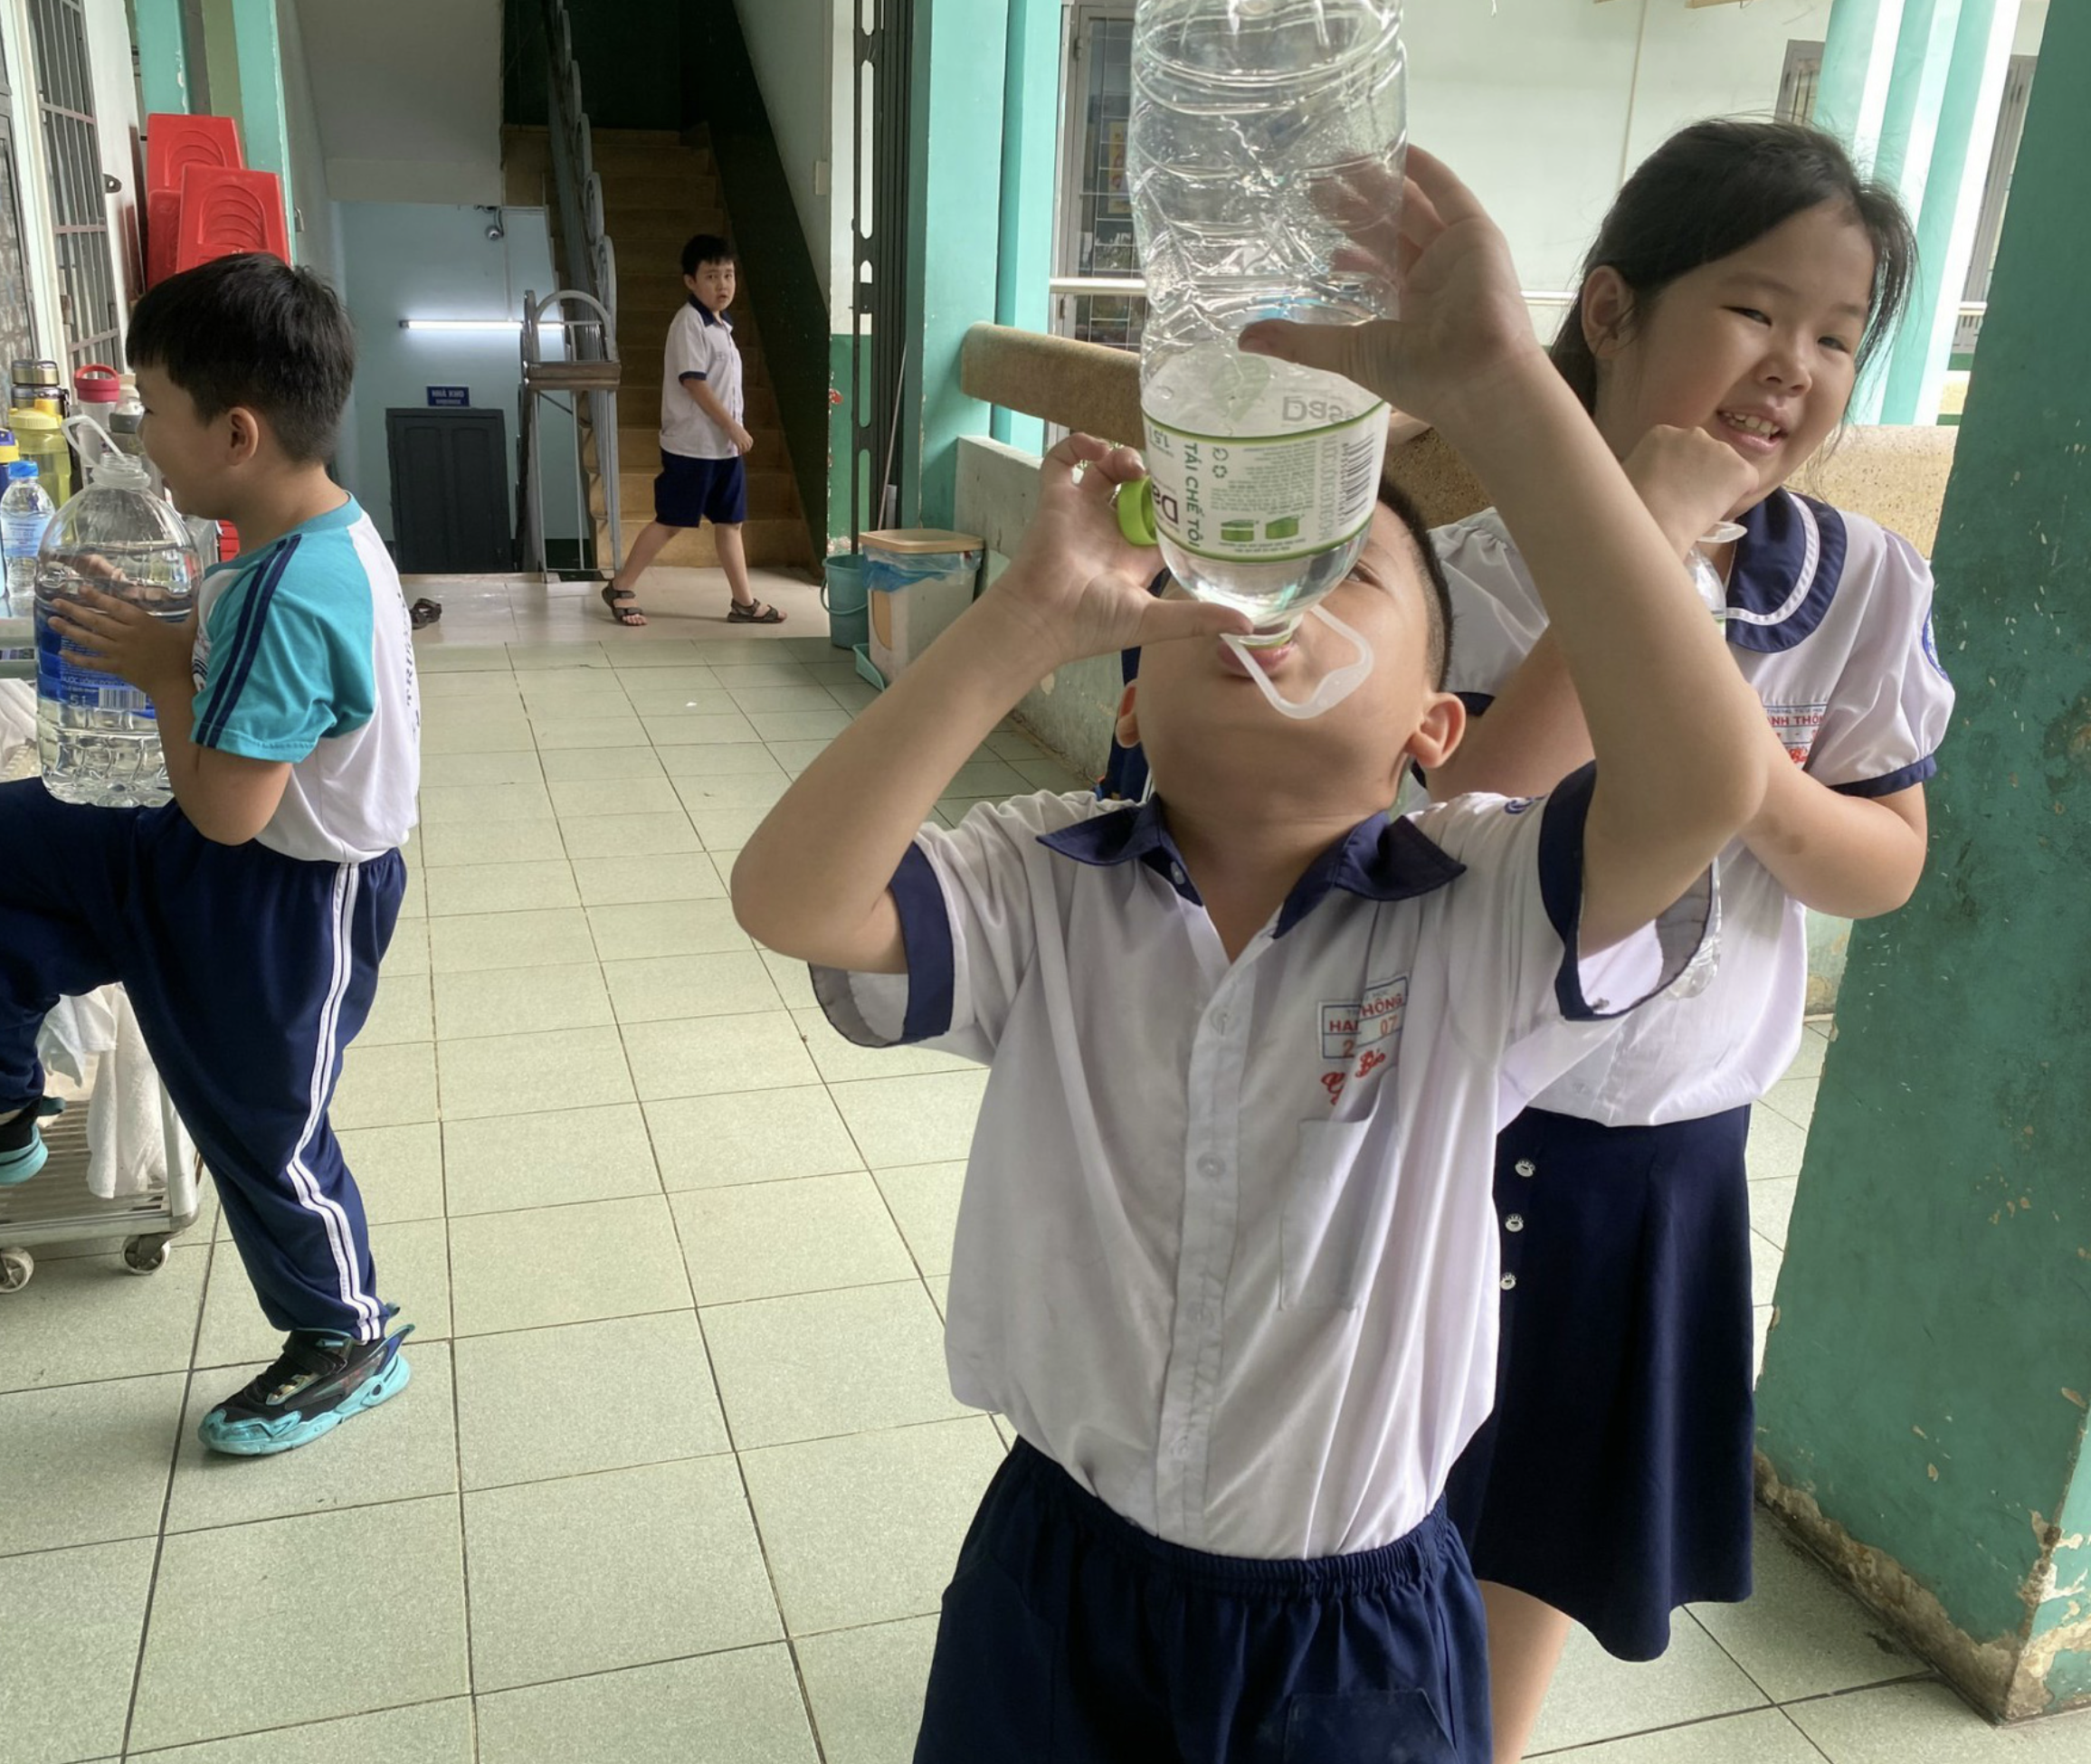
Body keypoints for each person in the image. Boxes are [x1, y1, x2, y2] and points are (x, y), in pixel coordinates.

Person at [731, 149, 1771, 1763]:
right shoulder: (1042, 882)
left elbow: (1699, 784)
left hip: (1346, 1622)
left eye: (1338, 571)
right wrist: (1021, 617)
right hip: (1057, 1570)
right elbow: (791, 898)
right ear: (1131, 698)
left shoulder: (1477, 911)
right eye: (1209, 581)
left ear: (1435, 734)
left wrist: (1503, 389)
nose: (1258, 603)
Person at [1416, 119, 1951, 1762]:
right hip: (1445, 1126)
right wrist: (1633, 552)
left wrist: (1746, 790)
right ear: (1605, 309)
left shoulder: (1855, 585)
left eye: (1837, 335)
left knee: (1551, 1520)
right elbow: (1441, 854)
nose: (1792, 365)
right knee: (1397, 1485)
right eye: (1752, 309)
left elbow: (1882, 865)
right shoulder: (1456, 578)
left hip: (1659, 1150)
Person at [0, 252, 423, 1458]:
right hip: (194, 849)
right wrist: (164, 635)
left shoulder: (290, 593)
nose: (140, 439)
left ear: (235, 431)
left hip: (280, 899)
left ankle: (343, 1333)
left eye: (153, 410)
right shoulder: (278, 542)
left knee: (263, 1131)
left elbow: (227, 813)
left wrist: (157, 673)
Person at [600, 233, 784, 628]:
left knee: (729, 523)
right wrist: (734, 425)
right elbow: (694, 382)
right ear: (690, 281)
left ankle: (743, 602)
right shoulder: (689, 323)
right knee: (671, 520)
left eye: (729, 276)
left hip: (724, 450)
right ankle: (621, 586)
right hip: (693, 447)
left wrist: (731, 433)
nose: (723, 285)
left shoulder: (723, 325)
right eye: (712, 276)